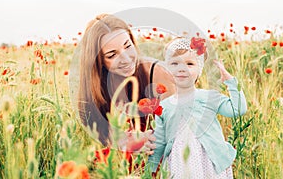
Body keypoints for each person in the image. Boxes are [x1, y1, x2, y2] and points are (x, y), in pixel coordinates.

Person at [147, 37, 247, 178]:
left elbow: (238, 109)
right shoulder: (164, 106)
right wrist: (149, 170)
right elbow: (159, 141)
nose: (182, 68)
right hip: (178, 163)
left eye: (189, 64)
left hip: (209, 162)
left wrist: (230, 82)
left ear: (199, 70)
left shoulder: (209, 97)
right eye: (174, 63)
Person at [77, 13, 175, 152]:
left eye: (127, 46)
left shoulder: (157, 73)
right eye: (112, 55)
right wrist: (122, 141)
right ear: (98, 61)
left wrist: (150, 140)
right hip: (121, 161)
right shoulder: (96, 86)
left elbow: (179, 130)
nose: (126, 59)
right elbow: (99, 132)